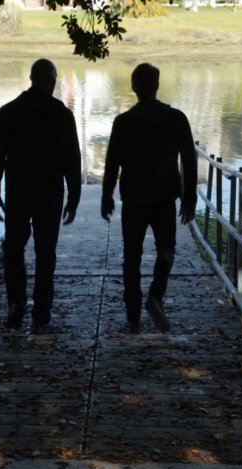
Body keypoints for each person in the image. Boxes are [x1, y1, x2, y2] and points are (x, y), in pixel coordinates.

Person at [0, 58, 82, 334]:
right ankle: (42, 310)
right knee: (45, 252)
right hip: (50, 194)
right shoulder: (61, 114)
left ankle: (16, 303)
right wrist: (74, 197)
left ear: (31, 78)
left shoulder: (8, 112)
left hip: (17, 192)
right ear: (51, 81)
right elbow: (72, 159)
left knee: (14, 249)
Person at [101, 63, 197, 334]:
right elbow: (189, 160)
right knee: (166, 249)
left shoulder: (123, 122)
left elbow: (112, 163)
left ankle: (133, 314)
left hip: (133, 199)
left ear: (133, 87)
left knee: (132, 257)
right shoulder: (177, 118)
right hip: (165, 198)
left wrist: (107, 195)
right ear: (157, 85)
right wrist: (189, 197)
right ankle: (156, 294)